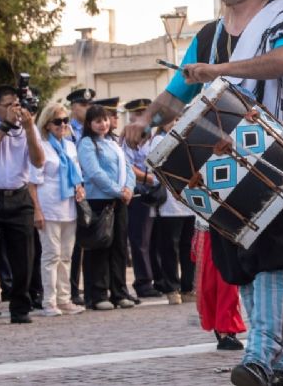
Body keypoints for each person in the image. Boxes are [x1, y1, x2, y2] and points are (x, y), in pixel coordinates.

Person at [124, 0, 283, 384]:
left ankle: (261, 355)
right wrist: (146, 119)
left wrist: (220, 71)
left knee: (271, 257)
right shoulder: (209, 36)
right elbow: (178, 91)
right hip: (221, 160)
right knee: (240, 261)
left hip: (280, 156)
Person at [0, 86, 45, 328]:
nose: (16, 109)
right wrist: (6, 125)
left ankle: (20, 307)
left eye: (17, 104)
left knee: (24, 256)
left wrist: (29, 128)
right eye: (9, 105)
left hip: (19, 197)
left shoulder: (26, 125)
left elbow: (38, 160)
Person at [29, 103, 86, 316]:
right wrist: (37, 210)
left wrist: (79, 188)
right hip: (49, 205)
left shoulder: (70, 146)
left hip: (68, 206)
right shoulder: (41, 147)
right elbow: (32, 182)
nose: (62, 125)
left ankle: (64, 298)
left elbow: (76, 174)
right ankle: (49, 301)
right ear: (47, 124)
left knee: (66, 255)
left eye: (65, 120)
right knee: (51, 255)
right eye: (57, 121)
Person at [77, 105, 136, 310]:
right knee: (100, 246)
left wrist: (128, 188)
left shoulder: (112, 141)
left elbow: (128, 168)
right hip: (99, 200)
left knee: (119, 247)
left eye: (105, 120)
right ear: (89, 124)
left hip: (119, 201)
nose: (103, 124)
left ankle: (119, 292)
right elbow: (94, 172)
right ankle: (98, 294)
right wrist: (118, 190)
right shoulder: (87, 143)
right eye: (97, 121)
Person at [148, 119, 197, 305]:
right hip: (169, 203)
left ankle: (187, 287)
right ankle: (171, 287)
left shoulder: (188, 137)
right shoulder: (159, 140)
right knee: (169, 248)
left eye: (178, 119)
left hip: (188, 200)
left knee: (188, 247)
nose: (175, 122)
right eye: (172, 119)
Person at [122, 98, 163, 299]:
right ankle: (143, 282)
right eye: (137, 114)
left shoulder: (152, 137)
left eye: (144, 113)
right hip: (139, 193)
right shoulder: (127, 140)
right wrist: (149, 179)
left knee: (155, 240)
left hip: (155, 193)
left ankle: (158, 278)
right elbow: (128, 166)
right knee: (140, 241)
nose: (141, 118)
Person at [192, 223, 246, 351]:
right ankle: (222, 329)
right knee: (210, 284)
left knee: (227, 283)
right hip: (209, 226)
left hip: (225, 226)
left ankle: (225, 330)